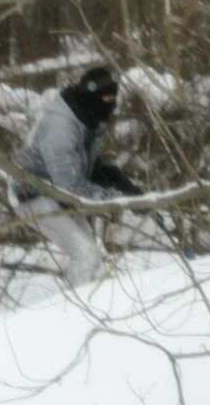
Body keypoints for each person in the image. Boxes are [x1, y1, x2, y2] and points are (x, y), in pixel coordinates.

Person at [11, 67, 144, 286]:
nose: (112, 104)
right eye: (107, 97)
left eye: (114, 97)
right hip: (30, 194)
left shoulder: (87, 117)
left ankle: (93, 303)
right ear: (92, 96)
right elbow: (69, 185)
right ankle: (75, 314)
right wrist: (114, 198)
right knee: (85, 254)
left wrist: (116, 179)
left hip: (55, 191)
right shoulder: (61, 127)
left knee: (93, 255)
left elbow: (80, 162)